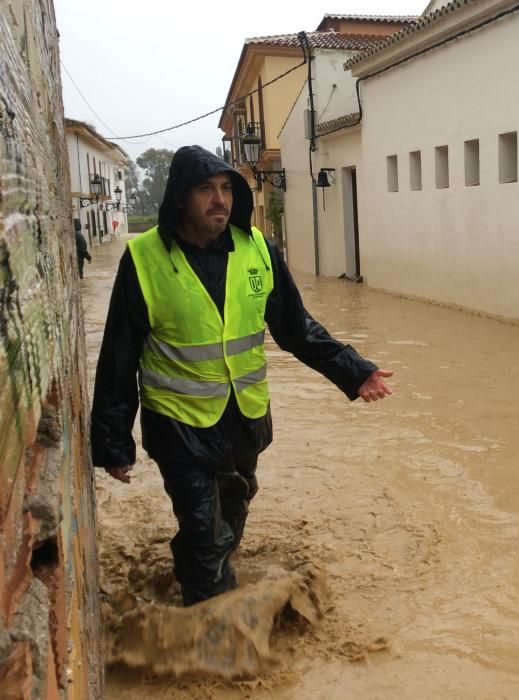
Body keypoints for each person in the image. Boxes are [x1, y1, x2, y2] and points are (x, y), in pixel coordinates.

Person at [90, 146, 393, 606]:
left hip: (244, 423)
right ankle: (215, 634)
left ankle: (197, 573)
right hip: (179, 427)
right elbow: (119, 355)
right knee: (205, 532)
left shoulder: (258, 251)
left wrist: (356, 372)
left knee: (231, 518)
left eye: (226, 188)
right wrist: (114, 442)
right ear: (179, 198)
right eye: (205, 189)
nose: (220, 200)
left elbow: (298, 329)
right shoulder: (144, 258)